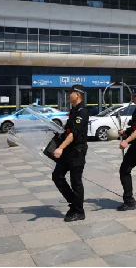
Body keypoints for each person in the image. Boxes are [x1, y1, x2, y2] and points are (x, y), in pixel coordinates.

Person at [52, 85, 89, 222]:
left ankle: (79, 212)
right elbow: (68, 131)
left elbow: (74, 133)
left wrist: (60, 148)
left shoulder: (82, 111)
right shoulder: (74, 111)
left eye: (70, 93)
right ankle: (74, 203)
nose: (69, 95)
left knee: (76, 181)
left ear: (78, 95)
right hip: (69, 150)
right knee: (57, 176)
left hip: (77, 151)